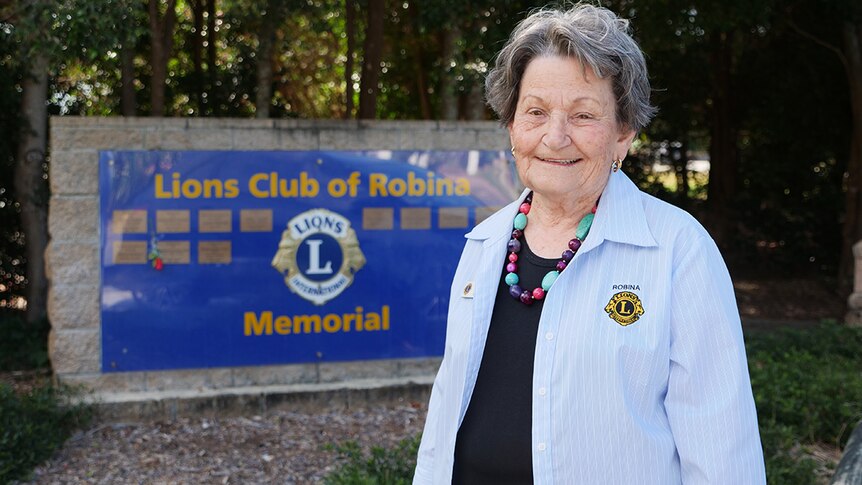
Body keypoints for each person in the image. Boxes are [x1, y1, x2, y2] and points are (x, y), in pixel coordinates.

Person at [413, 4, 766, 484]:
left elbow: (723, 450)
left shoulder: (677, 250)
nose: (555, 138)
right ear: (512, 126)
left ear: (623, 134)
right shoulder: (485, 242)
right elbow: (445, 415)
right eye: (535, 112)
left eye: (583, 115)